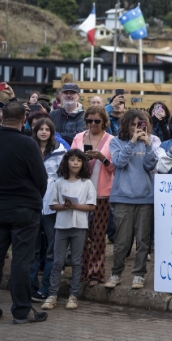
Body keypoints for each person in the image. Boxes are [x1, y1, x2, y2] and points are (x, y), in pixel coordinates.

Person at [0, 102, 49, 324]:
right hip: (25, 208)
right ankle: (21, 311)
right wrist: (34, 198)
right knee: (21, 259)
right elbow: (41, 178)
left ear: (1, 118)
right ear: (24, 120)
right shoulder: (28, 144)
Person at [105, 109, 159, 290]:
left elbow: (150, 165)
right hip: (123, 197)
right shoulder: (115, 142)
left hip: (145, 198)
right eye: (133, 124)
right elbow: (118, 163)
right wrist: (133, 142)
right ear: (126, 125)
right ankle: (116, 273)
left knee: (143, 241)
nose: (137, 128)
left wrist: (148, 145)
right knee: (122, 241)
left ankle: (139, 275)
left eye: (141, 124)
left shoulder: (148, 142)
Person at [41, 149, 97, 311]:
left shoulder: (86, 183)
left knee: (76, 262)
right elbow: (52, 205)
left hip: (79, 226)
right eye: (72, 160)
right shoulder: (59, 182)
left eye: (78, 160)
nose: (75, 163)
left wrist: (75, 206)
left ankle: (74, 295)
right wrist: (64, 206)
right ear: (66, 162)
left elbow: (92, 206)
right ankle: (52, 294)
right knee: (58, 262)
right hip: (61, 226)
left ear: (83, 164)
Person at [71, 106, 115, 287]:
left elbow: (115, 168)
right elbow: (70, 159)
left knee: (98, 234)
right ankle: (82, 271)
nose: (93, 124)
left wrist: (102, 158)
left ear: (104, 121)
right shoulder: (79, 137)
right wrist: (82, 159)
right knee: (81, 234)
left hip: (102, 192)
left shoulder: (112, 140)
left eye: (97, 121)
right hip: (80, 192)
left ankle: (96, 273)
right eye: (89, 121)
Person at [29, 117, 66, 302]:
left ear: (52, 132)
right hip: (32, 203)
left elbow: (65, 174)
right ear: (35, 131)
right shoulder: (28, 148)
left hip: (52, 203)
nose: (43, 131)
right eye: (40, 128)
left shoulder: (60, 149)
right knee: (32, 248)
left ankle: (46, 288)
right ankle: (30, 287)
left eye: (47, 129)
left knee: (52, 247)